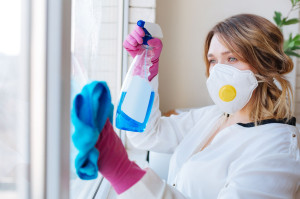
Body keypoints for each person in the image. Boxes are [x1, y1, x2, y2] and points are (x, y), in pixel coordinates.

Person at [75, 14, 300, 198]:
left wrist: (125, 173)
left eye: (231, 58)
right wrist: (143, 70)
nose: (218, 71)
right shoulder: (216, 116)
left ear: (264, 64)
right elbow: (148, 135)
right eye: (213, 60)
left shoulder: (278, 149)